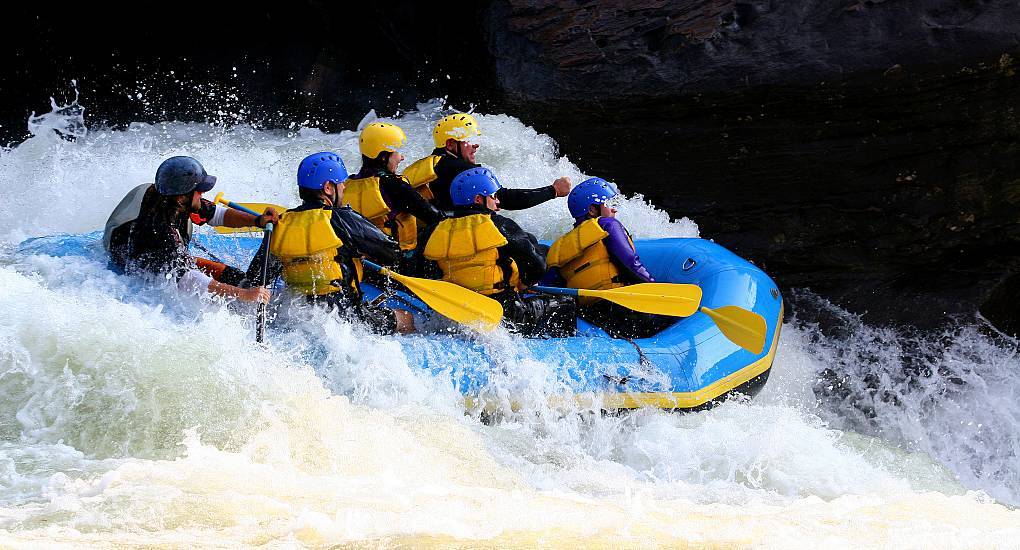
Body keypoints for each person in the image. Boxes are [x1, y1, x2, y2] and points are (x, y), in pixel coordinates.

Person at [269, 151, 415, 334]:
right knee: (406, 318)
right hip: (347, 319)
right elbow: (392, 253)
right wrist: (360, 251)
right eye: (341, 184)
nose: (344, 188)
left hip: (298, 315)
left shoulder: (280, 223)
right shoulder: (341, 218)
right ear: (328, 188)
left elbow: (258, 277)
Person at [418, 167, 575, 337]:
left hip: (455, 308)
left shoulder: (435, 229)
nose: (497, 202)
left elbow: (420, 270)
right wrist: (524, 283)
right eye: (493, 196)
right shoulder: (498, 224)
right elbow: (538, 264)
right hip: (502, 311)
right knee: (567, 304)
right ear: (479, 199)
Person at [104, 156, 277, 303]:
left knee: (232, 275)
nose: (202, 194)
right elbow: (188, 279)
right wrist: (242, 294)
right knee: (213, 279)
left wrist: (258, 220)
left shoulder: (172, 198)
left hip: (156, 253)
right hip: (139, 264)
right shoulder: (160, 231)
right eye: (199, 191)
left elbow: (218, 214)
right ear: (182, 197)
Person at [546, 177, 675, 339]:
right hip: (620, 309)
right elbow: (631, 265)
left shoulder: (557, 248)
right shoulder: (607, 225)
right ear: (592, 210)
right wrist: (660, 293)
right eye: (608, 204)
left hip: (589, 316)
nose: (614, 210)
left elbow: (554, 289)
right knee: (677, 318)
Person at [403, 113, 572, 212]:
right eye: (468, 140)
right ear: (450, 144)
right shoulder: (460, 170)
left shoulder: (427, 164)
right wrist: (553, 191)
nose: (475, 145)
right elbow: (505, 198)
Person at [342, 121, 445, 259]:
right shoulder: (394, 185)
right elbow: (435, 218)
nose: (401, 157)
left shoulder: (347, 185)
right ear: (384, 156)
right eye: (396, 152)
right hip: (400, 263)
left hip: (364, 263)